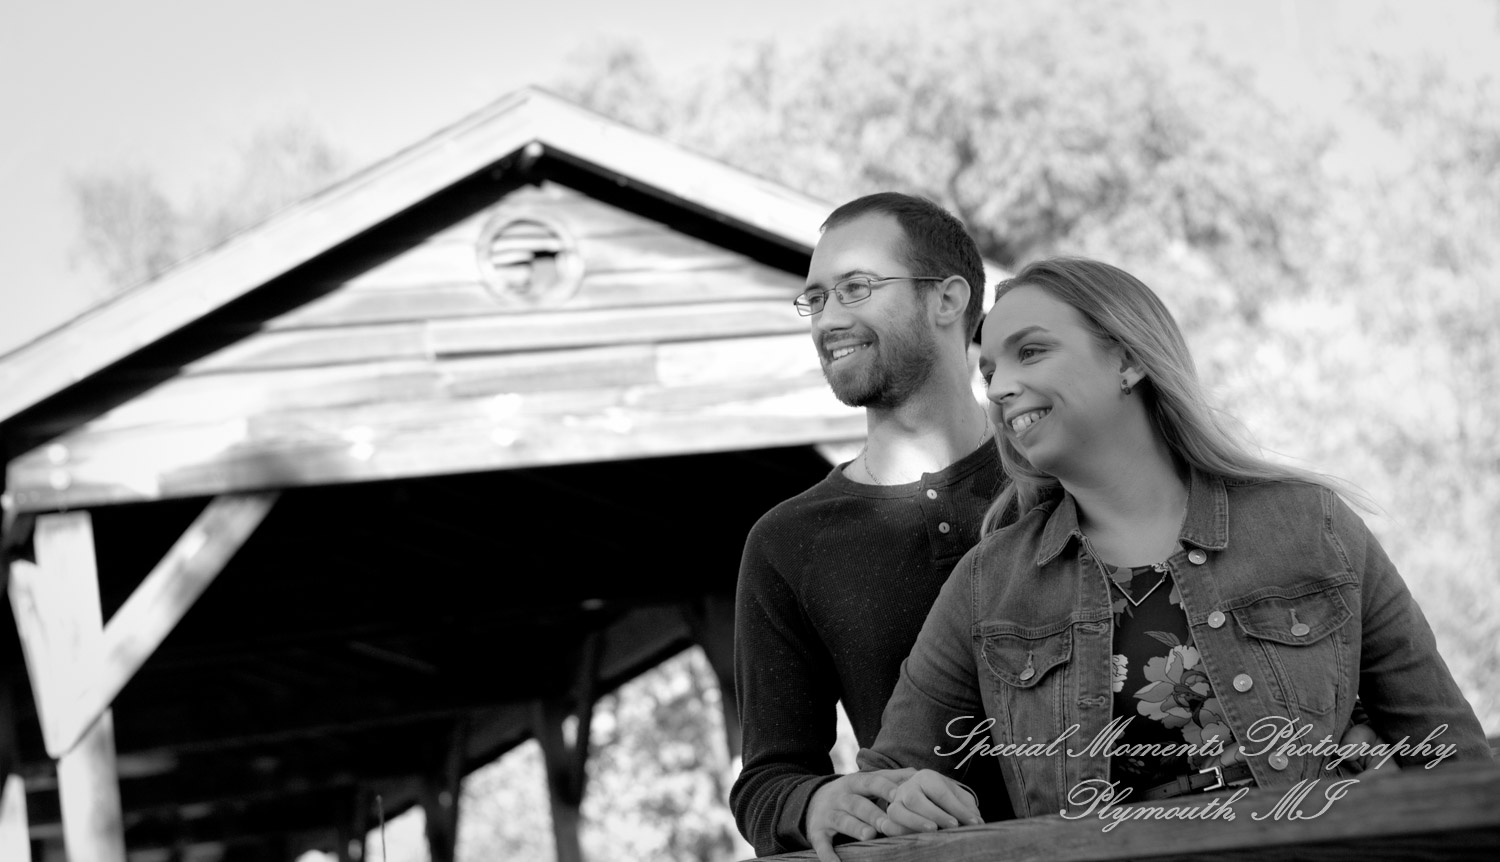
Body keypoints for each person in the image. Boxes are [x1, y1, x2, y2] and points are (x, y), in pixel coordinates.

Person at [856, 257, 1493, 834]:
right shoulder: (988, 584)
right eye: (990, 372)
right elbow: (886, 784)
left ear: (1129, 361)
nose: (998, 389)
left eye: (1031, 352)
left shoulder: (1312, 525)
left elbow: (1450, 757)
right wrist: (887, 799)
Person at [730, 192, 1012, 859]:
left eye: (855, 288)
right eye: (816, 298)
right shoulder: (786, 542)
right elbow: (767, 781)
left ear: (947, 299)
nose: (829, 319)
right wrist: (820, 802)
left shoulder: (1057, 483)